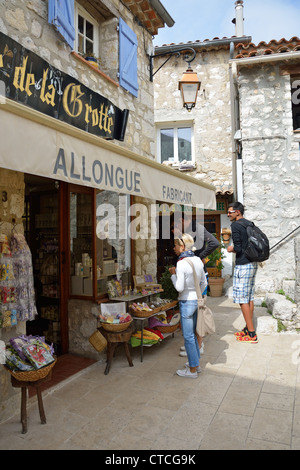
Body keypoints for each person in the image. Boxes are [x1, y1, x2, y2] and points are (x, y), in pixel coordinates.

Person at [172, 213, 219, 356]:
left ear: (181, 220)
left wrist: (199, 257)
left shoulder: (197, 228)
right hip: (193, 273)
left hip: (197, 275)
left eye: (175, 225)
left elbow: (215, 243)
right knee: (192, 314)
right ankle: (192, 345)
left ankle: (199, 345)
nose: (174, 228)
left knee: (198, 311)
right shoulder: (187, 231)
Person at [169, 234, 207, 378]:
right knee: (193, 335)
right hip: (197, 300)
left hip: (186, 301)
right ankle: (195, 365)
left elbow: (179, 288)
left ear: (183, 246)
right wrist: (197, 293)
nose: (174, 248)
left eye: (176, 245)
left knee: (188, 336)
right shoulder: (197, 260)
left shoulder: (181, 263)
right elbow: (204, 282)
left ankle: (192, 370)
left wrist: (173, 275)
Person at [227, 202, 258, 343]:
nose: (228, 214)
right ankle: (248, 329)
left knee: (242, 299)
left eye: (230, 212)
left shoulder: (236, 225)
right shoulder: (249, 223)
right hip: (252, 263)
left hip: (243, 265)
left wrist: (230, 249)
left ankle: (251, 334)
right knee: (249, 296)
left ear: (237, 212)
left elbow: (238, 248)